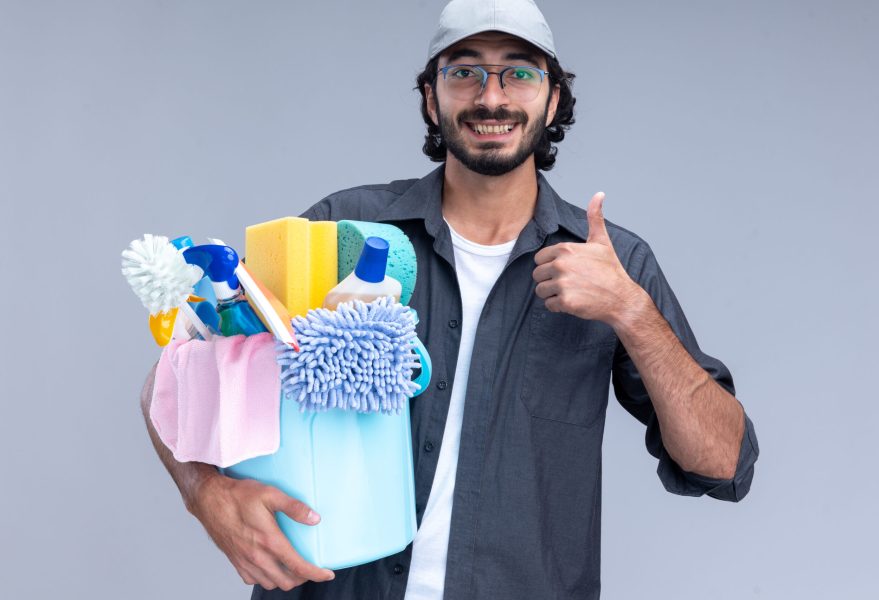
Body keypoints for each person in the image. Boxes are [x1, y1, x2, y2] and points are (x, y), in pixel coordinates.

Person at [140, 0, 759, 598]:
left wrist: (630, 311)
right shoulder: (343, 232)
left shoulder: (615, 265)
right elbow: (176, 379)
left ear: (554, 97)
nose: (491, 98)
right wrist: (206, 495)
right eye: (464, 72)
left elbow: (723, 462)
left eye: (519, 72)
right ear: (431, 99)